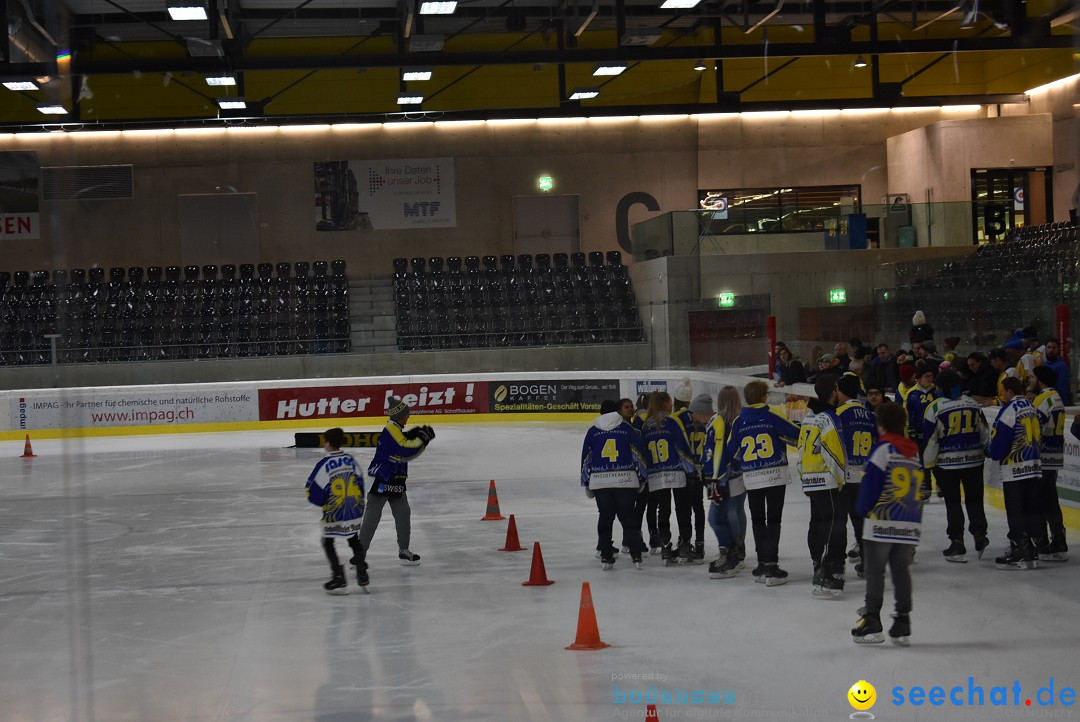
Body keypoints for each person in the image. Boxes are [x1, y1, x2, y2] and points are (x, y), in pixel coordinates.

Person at [851, 402, 925, 646]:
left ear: (880, 425)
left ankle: (872, 618)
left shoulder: (883, 449)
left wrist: (861, 510)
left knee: (875, 572)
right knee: (901, 571)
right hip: (908, 523)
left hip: (881, 523)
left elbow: (870, 486)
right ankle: (903, 619)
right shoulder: (913, 451)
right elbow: (920, 490)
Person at [715, 380, 800, 585]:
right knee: (774, 520)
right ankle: (771, 564)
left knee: (758, 520)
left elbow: (732, 451)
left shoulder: (739, 420)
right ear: (764, 397)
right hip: (775, 476)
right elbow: (794, 434)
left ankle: (762, 562)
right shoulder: (771, 414)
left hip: (752, 478)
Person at [922, 369, 990, 562]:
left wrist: (927, 465)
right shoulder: (972, 404)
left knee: (953, 503)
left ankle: (957, 543)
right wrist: (986, 450)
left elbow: (931, 441)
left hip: (947, 466)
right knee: (975, 499)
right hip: (974, 462)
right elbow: (985, 433)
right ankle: (979, 534)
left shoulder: (935, 408)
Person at [360, 396, 433, 566]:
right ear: (399, 415)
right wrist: (422, 439)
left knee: (403, 515)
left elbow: (409, 454)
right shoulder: (391, 429)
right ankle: (359, 555)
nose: (409, 417)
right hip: (382, 480)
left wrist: (421, 441)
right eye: (407, 414)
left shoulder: (397, 429)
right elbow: (404, 449)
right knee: (372, 519)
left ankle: (403, 550)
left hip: (396, 481)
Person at [581, 399, 648, 570]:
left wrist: (586, 482)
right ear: (617, 413)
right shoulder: (627, 429)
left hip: (600, 482)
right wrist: (642, 478)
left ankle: (605, 554)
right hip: (625, 480)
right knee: (628, 517)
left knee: (605, 517)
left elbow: (586, 459)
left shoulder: (592, 431)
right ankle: (636, 554)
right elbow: (637, 455)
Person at [798, 374, 848, 597]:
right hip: (826, 479)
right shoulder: (830, 418)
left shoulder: (809, 418)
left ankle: (817, 564)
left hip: (810, 477)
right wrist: (840, 478)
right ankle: (824, 571)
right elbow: (834, 452)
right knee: (831, 524)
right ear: (833, 392)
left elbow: (800, 451)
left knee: (817, 522)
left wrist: (804, 476)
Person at [987, 377, 1043, 570]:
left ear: (1009, 391)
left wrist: (991, 451)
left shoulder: (1009, 411)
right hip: (1034, 466)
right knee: (1030, 508)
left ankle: (1020, 549)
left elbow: (999, 447)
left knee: (1016, 510)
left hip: (1015, 469)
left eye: (1004, 391)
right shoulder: (1031, 407)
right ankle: (1032, 550)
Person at [305, 427, 369, 594]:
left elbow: (312, 489)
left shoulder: (325, 464)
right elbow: (361, 482)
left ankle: (338, 576)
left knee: (328, 542)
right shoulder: (350, 460)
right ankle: (362, 572)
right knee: (354, 539)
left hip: (335, 511)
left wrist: (323, 503)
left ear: (327, 443)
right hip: (353, 509)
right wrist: (359, 502)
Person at [641, 391, 698, 564]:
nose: (671, 405)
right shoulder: (673, 421)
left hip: (656, 475)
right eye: (670, 402)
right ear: (664, 403)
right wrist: (692, 469)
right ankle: (685, 545)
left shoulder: (646, 426)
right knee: (683, 508)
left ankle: (665, 546)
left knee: (663, 510)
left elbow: (643, 453)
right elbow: (682, 447)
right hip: (676, 472)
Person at [700, 388, 745, 579]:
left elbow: (717, 452)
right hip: (740, 476)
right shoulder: (740, 420)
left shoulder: (719, 422)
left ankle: (730, 554)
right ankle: (738, 551)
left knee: (716, 518)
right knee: (734, 512)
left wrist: (715, 480)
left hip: (723, 477)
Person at [836, 373, 878, 574]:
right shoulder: (871, 415)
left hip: (846, 476)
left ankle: (836, 563)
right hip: (867, 475)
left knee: (841, 519)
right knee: (862, 517)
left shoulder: (838, 414)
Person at [1032, 365, 1068, 561]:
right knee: (1051, 500)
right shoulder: (1057, 397)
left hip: (1042, 458)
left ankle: (1042, 541)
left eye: (1032, 378)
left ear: (1040, 380)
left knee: (1038, 499)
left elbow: (1036, 428)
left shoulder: (1042, 400)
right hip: (1054, 457)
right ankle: (1059, 539)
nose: (1030, 380)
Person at [673, 383, 707, 561]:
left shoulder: (676, 419)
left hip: (682, 471)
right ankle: (700, 544)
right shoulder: (700, 416)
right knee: (698, 506)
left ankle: (685, 542)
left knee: (682, 508)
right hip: (699, 470)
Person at [1042, 338, 1072, 405]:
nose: (1051, 350)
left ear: (1058, 349)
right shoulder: (1045, 364)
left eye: (1054, 348)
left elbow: (1062, 388)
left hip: (1058, 404)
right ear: (1045, 349)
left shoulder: (1062, 366)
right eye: (1049, 347)